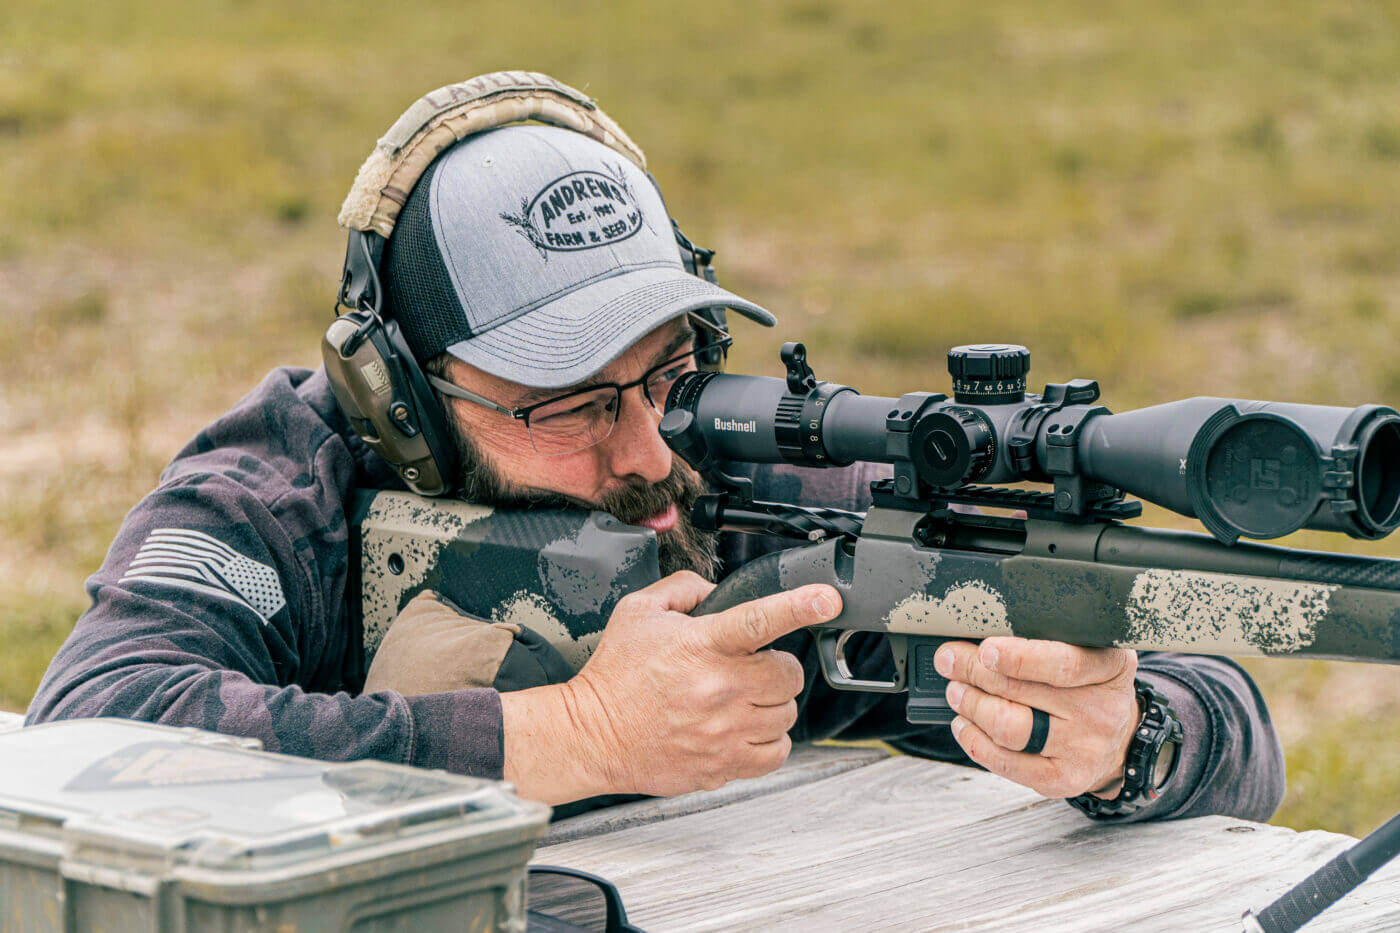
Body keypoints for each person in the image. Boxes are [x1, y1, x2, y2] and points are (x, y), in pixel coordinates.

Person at [27, 74, 1284, 822]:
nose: (640, 450)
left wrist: (1128, 740)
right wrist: (571, 736)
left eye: (663, 371)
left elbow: (1224, 712)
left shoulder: (725, 460)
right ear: (398, 392)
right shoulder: (279, 489)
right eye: (564, 402)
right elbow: (90, 736)